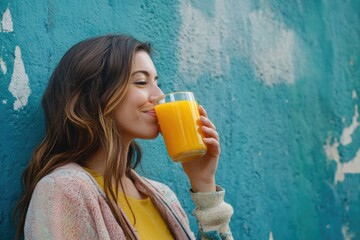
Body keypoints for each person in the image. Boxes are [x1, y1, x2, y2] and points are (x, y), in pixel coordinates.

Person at [14, 34, 233, 239]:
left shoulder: (163, 196)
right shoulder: (61, 190)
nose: (158, 96)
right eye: (141, 82)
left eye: (158, 83)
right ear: (95, 95)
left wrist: (204, 183)